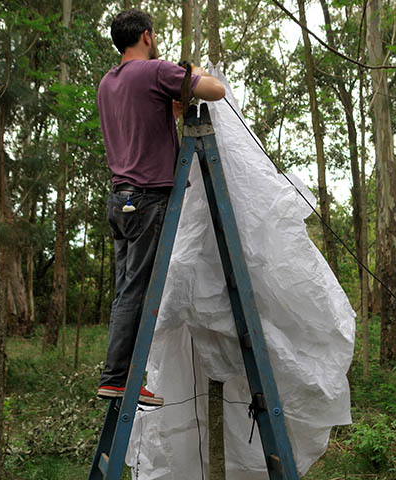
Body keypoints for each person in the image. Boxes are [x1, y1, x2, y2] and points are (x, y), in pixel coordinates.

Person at [95, 9, 225, 406]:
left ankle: (118, 377)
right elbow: (215, 90)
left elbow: (155, 117)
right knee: (138, 291)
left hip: (119, 199)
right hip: (149, 197)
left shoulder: (107, 83)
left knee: (125, 291)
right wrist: (194, 69)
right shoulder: (153, 72)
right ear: (147, 37)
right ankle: (117, 378)